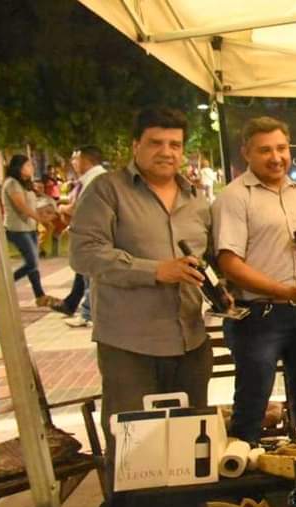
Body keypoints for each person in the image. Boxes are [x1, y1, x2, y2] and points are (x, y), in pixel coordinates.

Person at [69, 106, 214, 442]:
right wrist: (155, 270)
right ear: (136, 145)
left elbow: (207, 260)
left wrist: (223, 291)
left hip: (190, 343)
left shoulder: (196, 200)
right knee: (132, 446)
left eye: (175, 144)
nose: (167, 152)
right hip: (130, 346)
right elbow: (84, 253)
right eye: (156, 142)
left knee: (190, 445)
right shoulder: (107, 190)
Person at [214, 116, 296, 445]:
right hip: (258, 316)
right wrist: (286, 292)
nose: (276, 157)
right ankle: (245, 469)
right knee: (252, 403)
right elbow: (229, 263)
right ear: (246, 153)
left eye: (282, 148)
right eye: (265, 150)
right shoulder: (235, 197)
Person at [51, 145, 108, 327]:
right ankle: (85, 311)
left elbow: (80, 207)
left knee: (91, 275)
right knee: (86, 275)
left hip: (94, 234)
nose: (73, 162)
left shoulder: (96, 180)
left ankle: (88, 314)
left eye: (76, 158)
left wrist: (62, 208)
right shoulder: (91, 179)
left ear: (86, 160)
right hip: (87, 234)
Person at [1, 154, 57, 307]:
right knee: (32, 263)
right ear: (19, 167)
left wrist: (47, 211)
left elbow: (34, 204)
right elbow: (22, 207)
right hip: (17, 229)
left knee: (33, 264)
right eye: (28, 165)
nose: (32, 168)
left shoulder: (25, 184)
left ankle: (40, 296)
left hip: (29, 228)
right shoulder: (11, 183)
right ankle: (3, 285)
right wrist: (41, 220)